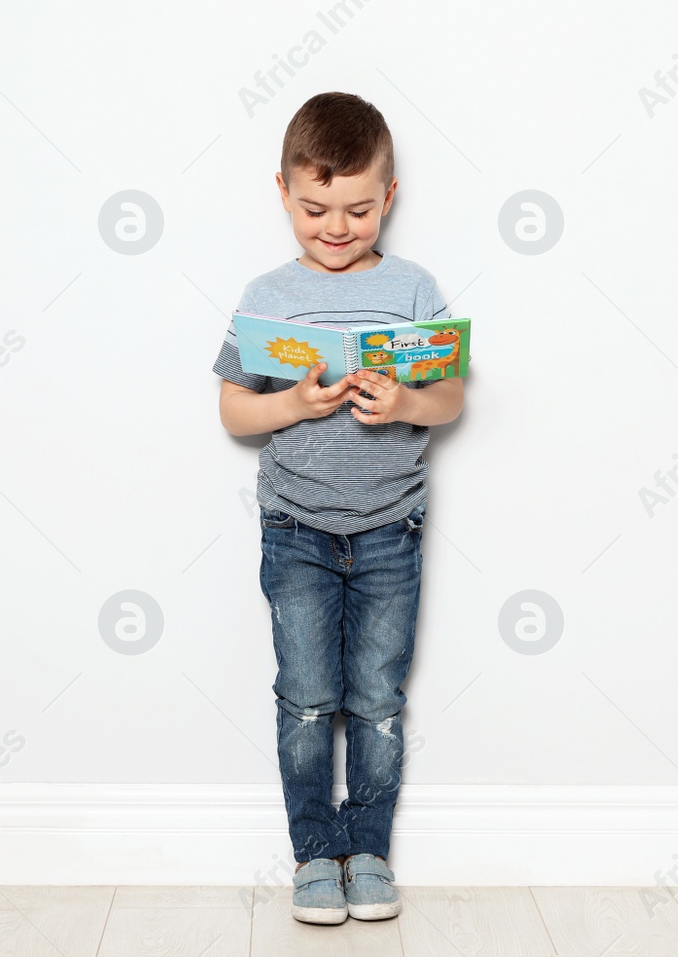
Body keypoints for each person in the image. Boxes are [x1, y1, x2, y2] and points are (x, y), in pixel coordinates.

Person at [212, 91, 465, 924]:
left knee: (379, 699)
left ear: (388, 198)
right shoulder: (268, 295)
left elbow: (452, 396)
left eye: (358, 208)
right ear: (281, 192)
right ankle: (315, 854)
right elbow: (233, 410)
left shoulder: (413, 286)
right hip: (296, 530)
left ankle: (370, 852)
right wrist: (294, 404)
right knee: (308, 696)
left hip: (392, 529)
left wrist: (405, 403)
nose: (336, 225)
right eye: (315, 207)